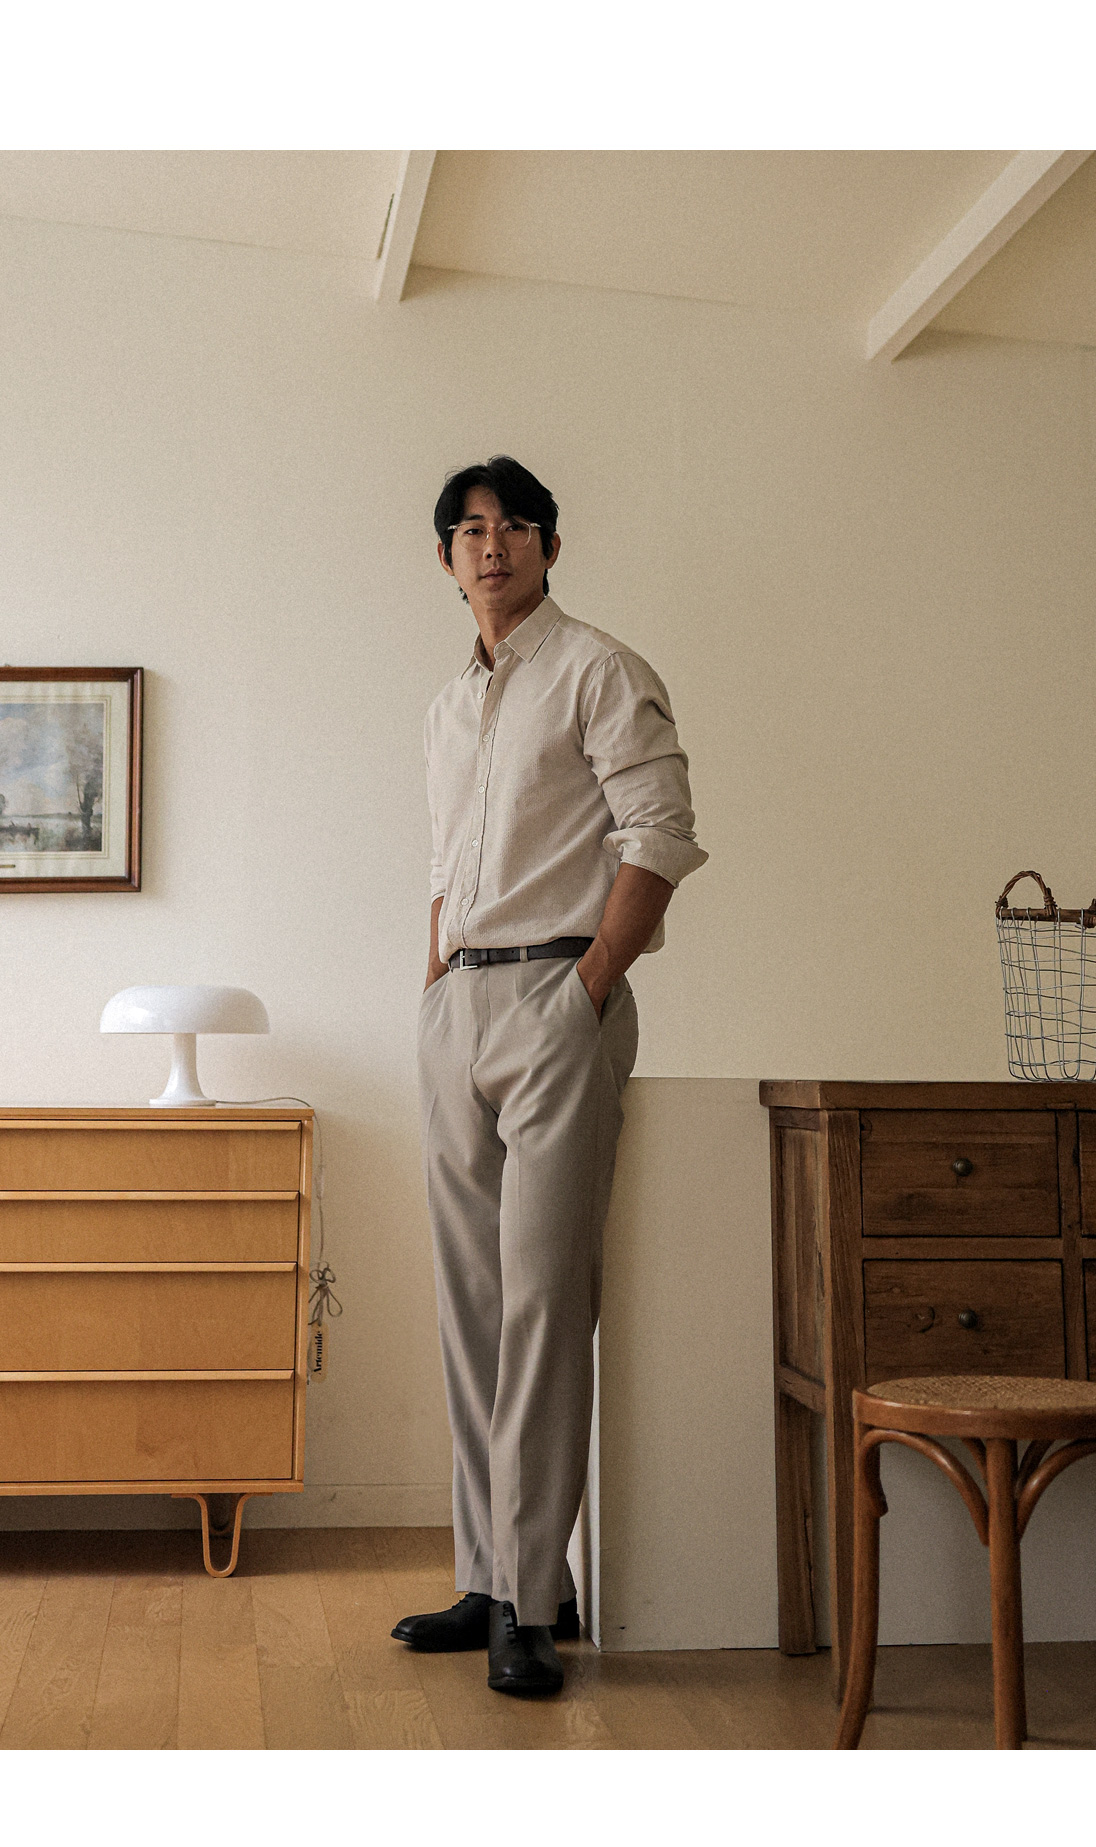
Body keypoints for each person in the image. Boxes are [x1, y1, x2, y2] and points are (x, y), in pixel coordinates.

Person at [392, 456, 706, 1696]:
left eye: (516, 524)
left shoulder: (600, 670)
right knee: (472, 1305)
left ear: (550, 547)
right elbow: (445, 868)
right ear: (446, 558)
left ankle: (533, 1594)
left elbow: (660, 833)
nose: (494, 544)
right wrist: (432, 989)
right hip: (458, 1007)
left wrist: (588, 990)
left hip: (557, 998)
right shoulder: (444, 710)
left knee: (541, 1299)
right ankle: (491, 1576)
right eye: (471, 528)